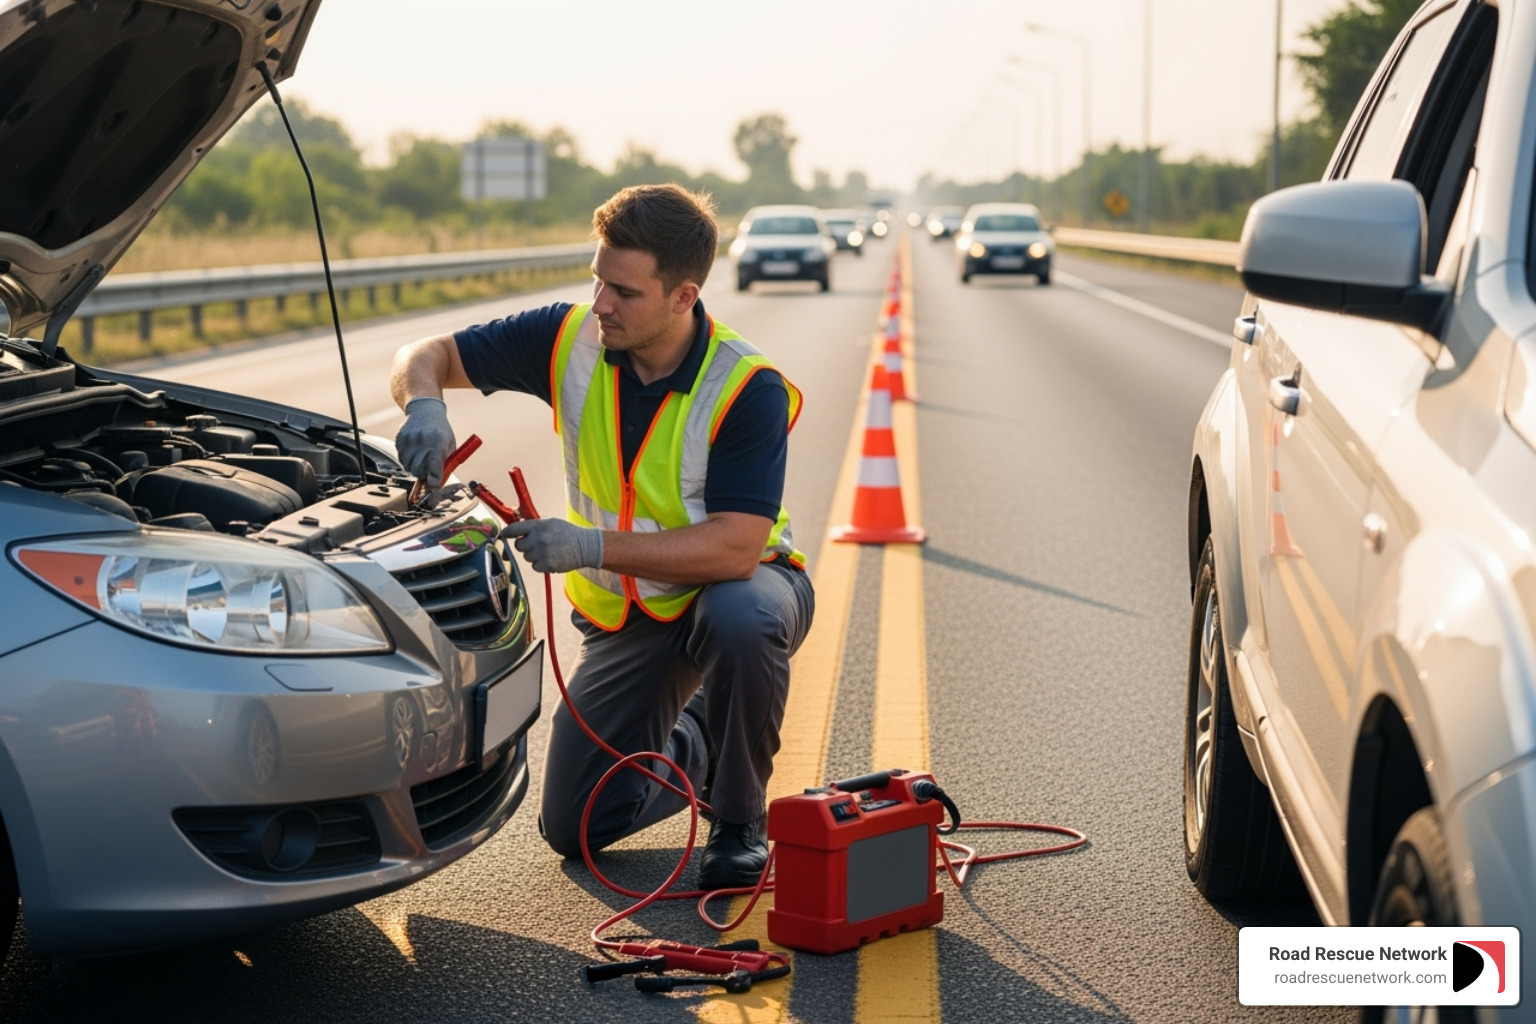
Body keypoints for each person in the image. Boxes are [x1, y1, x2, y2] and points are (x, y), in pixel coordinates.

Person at [388, 184, 815, 889]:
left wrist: (589, 547)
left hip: (737, 589)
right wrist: (425, 404)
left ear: (683, 296)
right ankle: (699, 739)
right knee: (577, 828)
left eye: (623, 291)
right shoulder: (568, 339)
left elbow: (737, 548)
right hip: (632, 618)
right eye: (597, 280)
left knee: (741, 620)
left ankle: (739, 824)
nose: (602, 303)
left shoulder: (746, 386)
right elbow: (423, 352)